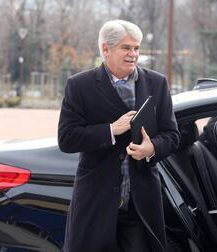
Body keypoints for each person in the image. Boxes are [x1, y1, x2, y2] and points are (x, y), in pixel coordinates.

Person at [58, 20, 180, 252]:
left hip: (140, 204)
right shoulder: (79, 85)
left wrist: (151, 148)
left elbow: (172, 135)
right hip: (96, 201)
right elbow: (67, 138)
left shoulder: (157, 83)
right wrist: (110, 130)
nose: (133, 54)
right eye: (126, 48)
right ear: (106, 49)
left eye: (136, 48)